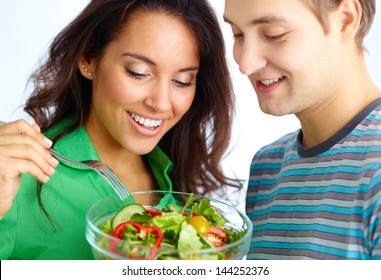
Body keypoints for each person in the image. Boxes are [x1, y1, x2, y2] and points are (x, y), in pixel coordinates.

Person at [0, 0, 240, 259]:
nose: (160, 103)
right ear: (88, 59)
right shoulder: (16, 176)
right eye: (138, 73)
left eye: (182, 81)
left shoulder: (183, 189)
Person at [224, 0, 381, 259]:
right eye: (238, 34)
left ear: (345, 19)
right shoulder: (267, 167)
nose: (245, 64)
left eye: (274, 34)